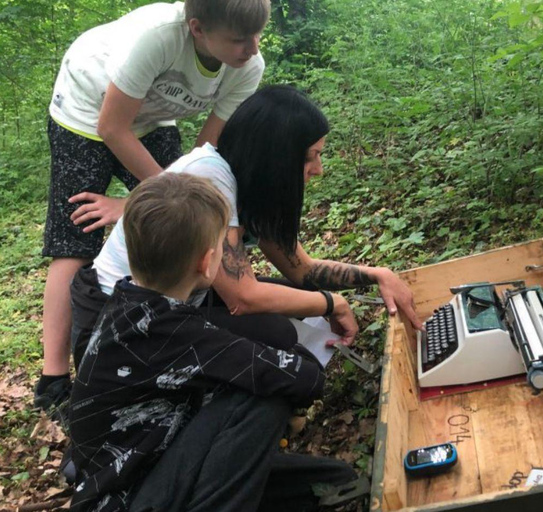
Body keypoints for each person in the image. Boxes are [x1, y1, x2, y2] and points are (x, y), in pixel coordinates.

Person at [70, 85, 423, 372]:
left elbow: (303, 270)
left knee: (292, 310)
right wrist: (332, 304)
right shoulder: (211, 176)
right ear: (275, 155)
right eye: (308, 156)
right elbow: (243, 298)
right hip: (117, 320)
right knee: (278, 332)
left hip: (179, 300)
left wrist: (377, 275)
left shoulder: (252, 182)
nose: (318, 170)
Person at [69, 172, 358, 512]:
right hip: (129, 497)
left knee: (336, 481)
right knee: (259, 395)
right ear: (207, 263)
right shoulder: (167, 330)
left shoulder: (128, 304)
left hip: (153, 470)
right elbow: (303, 378)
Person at [37, 0, 270, 413]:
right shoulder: (158, 38)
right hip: (87, 105)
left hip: (151, 116)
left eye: (257, 35)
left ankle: (171, 324)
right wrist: (147, 195)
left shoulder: (248, 66)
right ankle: (53, 378)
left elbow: (203, 154)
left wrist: (132, 201)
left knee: (183, 218)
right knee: (76, 235)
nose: (252, 49)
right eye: (239, 39)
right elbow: (111, 126)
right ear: (197, 29)